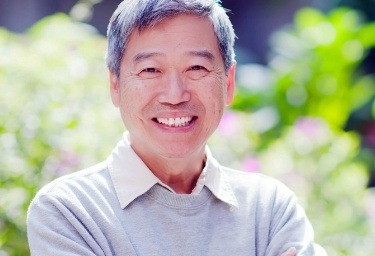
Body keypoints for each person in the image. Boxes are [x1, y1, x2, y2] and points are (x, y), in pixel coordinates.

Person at [27, 0, 326, 255]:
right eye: (150, 70)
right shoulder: (69, 211)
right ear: (115, 84)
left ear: (229, 82)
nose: (174, 95)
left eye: (196, 68)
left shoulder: (269, 209)